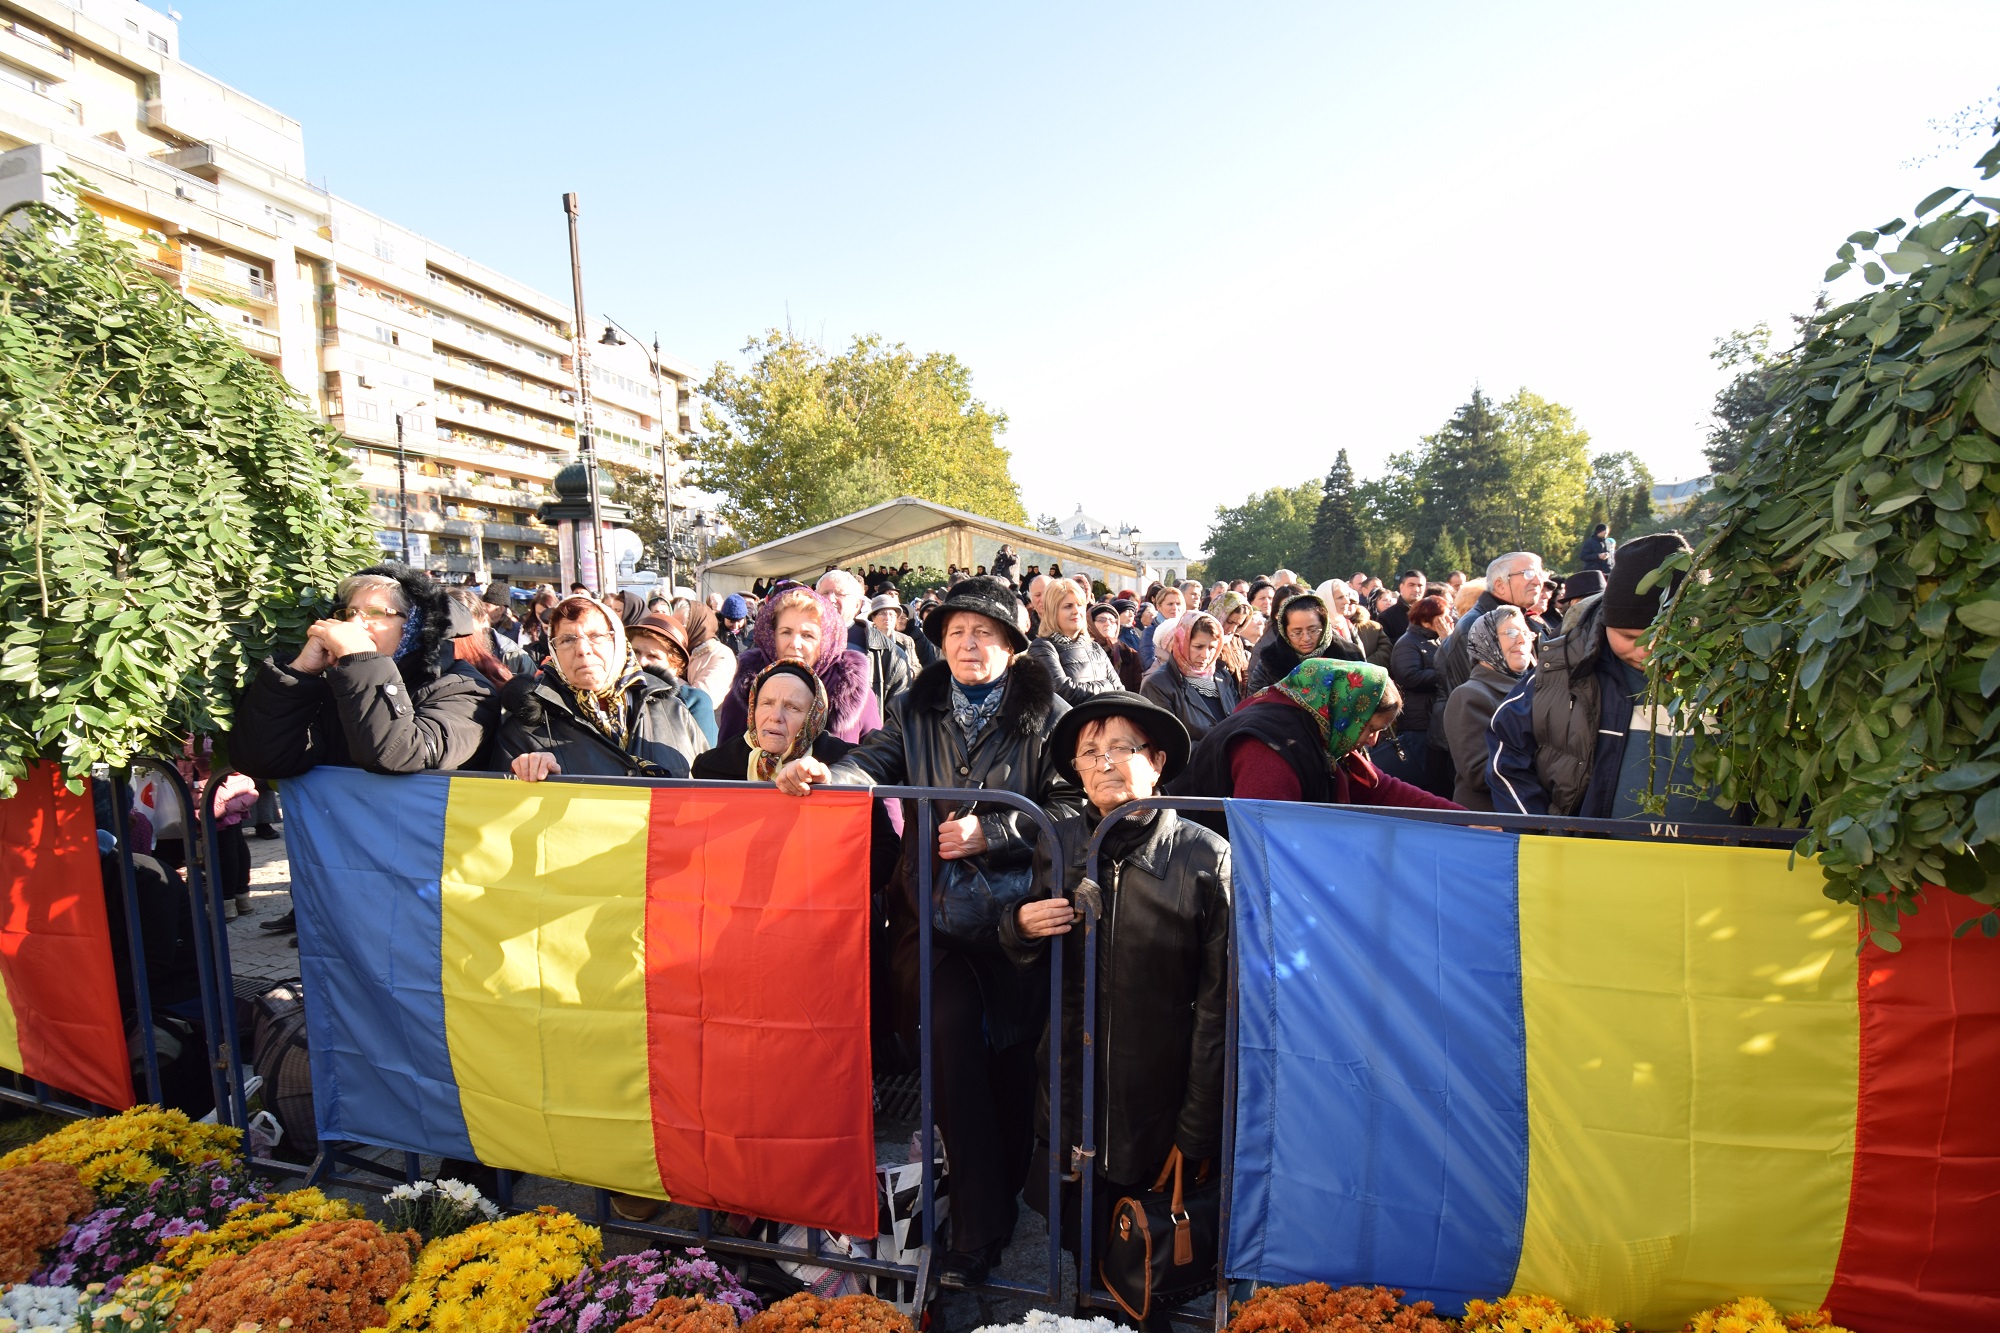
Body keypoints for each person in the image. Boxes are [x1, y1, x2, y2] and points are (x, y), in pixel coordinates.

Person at [771, 575, 1077, 1290]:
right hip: (934, 920)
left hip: (1017, 923)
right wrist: (831, 769)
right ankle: (975, 1233)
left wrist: (994, 827)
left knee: (1006, 1067)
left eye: (985, 633)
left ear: (1010, 645)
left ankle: (997, 1201)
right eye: (957, 632)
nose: (969, 645)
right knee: (948, 1049)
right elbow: (876, 757)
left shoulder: (1048, 711)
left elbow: (1069, 805)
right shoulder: (915, 703)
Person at [1000, 692, 1228, 1285]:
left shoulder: (1205, 858)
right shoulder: (1059, 842)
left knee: (1144, 1263)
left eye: (1121, 748)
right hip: (1071, 1091)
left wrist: (1198, 1125)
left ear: (1156, 761)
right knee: (1079, 1244)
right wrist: (1020, 927)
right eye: (1089, 752)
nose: (1104, 763)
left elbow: (1219, 1007)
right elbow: (1028, 942)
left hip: (1155, 1105)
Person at [1486, 532, 1732, 822]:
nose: (1648, 651)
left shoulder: (1737, 674)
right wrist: (1541, 833)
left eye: (1666, 638)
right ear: (1605, 624)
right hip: (1598, 860)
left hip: (1726, 861)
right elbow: (1507, 753)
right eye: (1628, 637)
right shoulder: (1562, 674)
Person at [232, 562, 498, 780]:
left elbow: (400, 755)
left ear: (416, 624)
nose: (355, 623)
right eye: (350, 612)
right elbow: (262, 760)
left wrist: (362, 660)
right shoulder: (341, 683)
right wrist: (300, 674)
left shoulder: (463, 688)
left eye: (375, 612)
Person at [1171, 659, 1462, 811]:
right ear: (1346, 711)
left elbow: (1381, 789)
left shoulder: (1322, 730)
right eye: (1370, 728)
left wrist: (1463, 819)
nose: (1373, 741)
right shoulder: (1271, 748)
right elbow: (1266, 841)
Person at [493, 594, 706, 781]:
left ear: (618, 643)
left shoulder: (672, 710)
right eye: (567, 640)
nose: (583, 649)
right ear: (554, 652)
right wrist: (527, 776)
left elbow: (711, 787)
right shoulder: (524, 730)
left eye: (596, 636)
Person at [717, 583, 882, 746]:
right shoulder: (745, 692)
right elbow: (722, 765)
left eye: (807, 635)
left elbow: (877, 763)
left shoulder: (854, 695)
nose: (795, 643)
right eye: (786, 632)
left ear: (825, 642)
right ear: (772, 637)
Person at [1443, 604, 1535, 811]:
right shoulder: (1469, 694)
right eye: (1511, 632)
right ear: (1487, 640)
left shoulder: (1533, 688)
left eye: (1527, 633)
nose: (1522, 640)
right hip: (1491, 819)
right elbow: (1479, 773)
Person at [1436, 551, 1548, 699]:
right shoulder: (1475, 626)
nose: (1537, 581)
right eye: (1528, 573)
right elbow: (1483, 697)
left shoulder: (1530, 621)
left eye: (1540, 573)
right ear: (1500, 586)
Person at [1378, 593, 1453, 795]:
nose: (1449, 621)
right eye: (1443, 617)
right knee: (1424, 774)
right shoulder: (1408, 643)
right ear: (1427, 619)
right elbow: (1409, 676)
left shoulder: (1438, 641)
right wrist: (1443, 674)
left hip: (1438, 718)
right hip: (1419, 720)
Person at [1140, 611, 1242, 743]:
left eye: (1212, 647)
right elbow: (1167, 742)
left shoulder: (1223, 676)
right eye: (1198, 647)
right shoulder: (1158, 684)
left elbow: (1238, 719)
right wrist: (1218, 752)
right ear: (1182, 643)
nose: (1205, 655)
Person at [820, 569, 912, 711]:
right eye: (824, 593)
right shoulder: (796, 643)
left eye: (839, 594)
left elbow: (899, 717)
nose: (830, 599)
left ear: (857, 605)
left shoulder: (889, 654)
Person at [627, 613, 719, 747]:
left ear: (676, 666)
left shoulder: (693, 701)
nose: (641, 661)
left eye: (653, 656)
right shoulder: (614, 695)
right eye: (636, 652)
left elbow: (705, 758)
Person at [1028, 575, 1121, 704]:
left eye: (1080, 605)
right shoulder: (1042, 647)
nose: (1076, 611)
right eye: (1068, 606)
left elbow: (1119, 690)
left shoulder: (1095, 647)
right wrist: (1106, 686)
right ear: (1053, 611)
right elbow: (1063, 692)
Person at [1246, 591, 1360, 693]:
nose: (1306, 638)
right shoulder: (1270, 662)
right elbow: (1256, 705)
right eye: (1296, 632)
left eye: (1313, 630)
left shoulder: (1349, 656)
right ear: (1284, 631)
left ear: (1324, 626)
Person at [680, 602, 737, 706]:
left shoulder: (721, 655)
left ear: (696, 625)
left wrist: (667, 676)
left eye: (681, 625)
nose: (676, 629)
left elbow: (702, 700)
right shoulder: (680, 651)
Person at [1089, 601, 1145, 692]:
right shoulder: (1082, 651)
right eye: (1101, 620)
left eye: (1112, 621)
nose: (1108, 624)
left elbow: (1138, 688)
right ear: (1090, 623)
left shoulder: (1129, 654)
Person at [1207, 590, 1255, 689]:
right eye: (1229, 622)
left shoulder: (1235, 640)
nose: (1232, 629)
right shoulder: (1205, 639)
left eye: (1238, 624)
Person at [1377, 569, 1425, 643]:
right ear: (1401, 587)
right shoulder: (1386, 617)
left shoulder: (1431, 614)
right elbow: (1384, 646)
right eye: (1411, 585)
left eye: (1420, 585)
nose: (1416, 589)